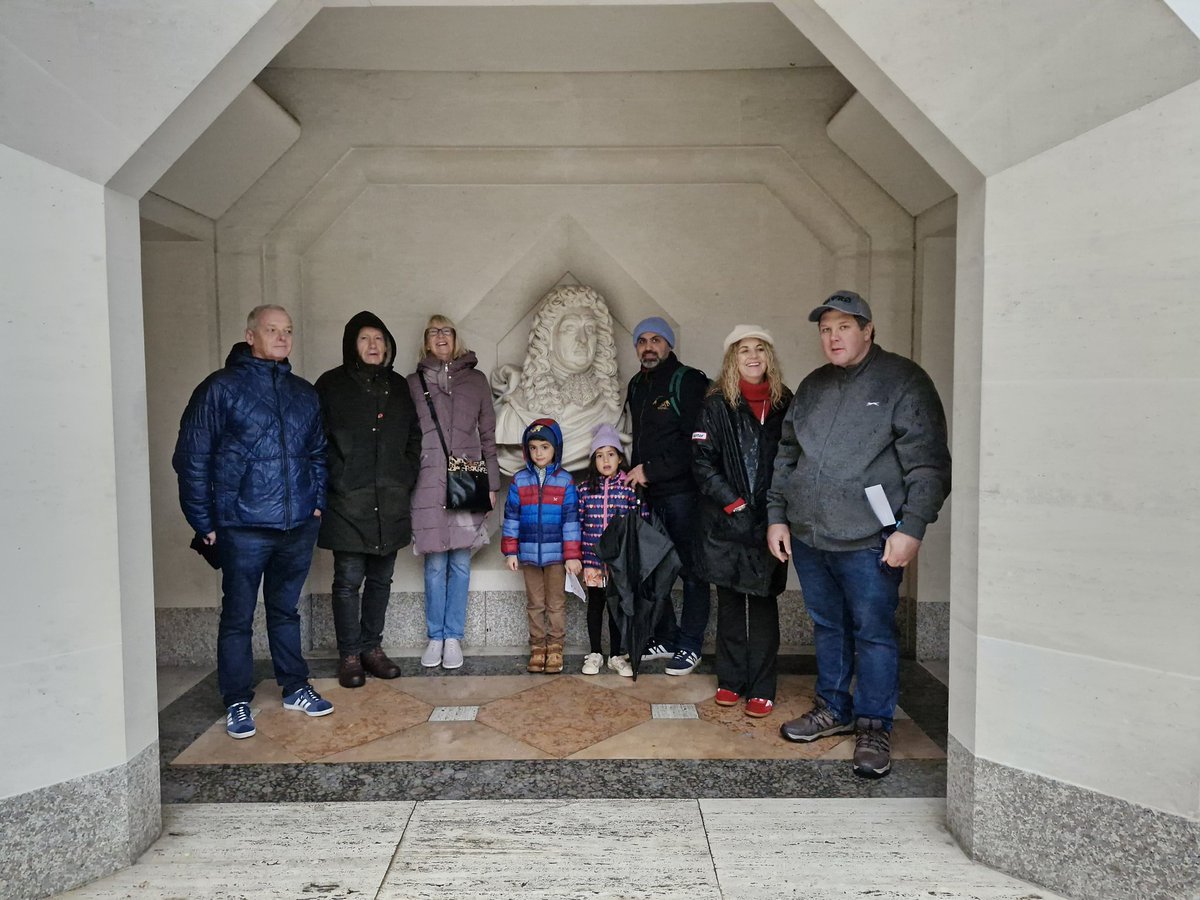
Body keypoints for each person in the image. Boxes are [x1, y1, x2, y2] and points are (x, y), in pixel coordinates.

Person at [767, 291, 950, 778]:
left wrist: (912, 529)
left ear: (868, 329)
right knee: (828, 626)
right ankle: (833, 707)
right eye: (826, 329)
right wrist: (777, 515)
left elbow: (929, 465)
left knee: (873, 632)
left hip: (871, 538)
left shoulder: (903, 381)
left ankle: (874, 724)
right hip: (810, 536)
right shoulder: (813, 386)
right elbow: (787, 454)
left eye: (844, 327)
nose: (833, 337)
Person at [173, 304, 332, 740]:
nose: (282, 338)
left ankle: (295, 687)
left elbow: (319, 453)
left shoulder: (303, 392)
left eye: (288, 331)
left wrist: (315, 502)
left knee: (286, 610)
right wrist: (204, 522)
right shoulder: (220, 389)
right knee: (238, 615)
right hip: (241, 525)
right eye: (272, 330)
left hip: (297, 525)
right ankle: (237, 700)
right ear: (250, 335)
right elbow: (192, 459)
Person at [315, 311, 421, 688]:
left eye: (379, 338)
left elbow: (413, 437)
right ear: (351, 344)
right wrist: (336, 479)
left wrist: (404, 476)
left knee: (381, 579)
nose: (373, 345)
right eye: (364, 339)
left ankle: (372, 649)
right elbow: (317, 442)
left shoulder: (398, 386)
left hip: (389, 501)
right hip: (348, 502)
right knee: (347, 580)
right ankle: (349, 655)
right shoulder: (330, 385)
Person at [692, 326, 793, 718]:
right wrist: (732, 502)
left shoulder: (786, 402)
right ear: (732, 359)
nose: (752, 356)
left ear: (769, 356)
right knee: (732, 603)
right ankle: (731, 681)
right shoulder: (716, 404)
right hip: (726, 521)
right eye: (743, 350)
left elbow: (793, 459)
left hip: (772, 520)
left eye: (760, 349)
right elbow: (701, 460)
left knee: (764, 603)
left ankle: (763, 686)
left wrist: (777, 511)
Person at [407, 315, 499, 670]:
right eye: (434, 331)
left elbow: (488, 437)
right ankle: (434, 636)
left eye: (446, 330)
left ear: (456, 338)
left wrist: (491, 484)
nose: (441, 336)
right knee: (434, 562)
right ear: (426, 341)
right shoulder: (412, 383)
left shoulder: (476, 381)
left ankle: (453, 637)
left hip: (468, 474)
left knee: (460, 561)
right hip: (427, 477)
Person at [625, 317, 710, 675]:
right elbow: (640, 440)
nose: (649, 347)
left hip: (683, 495)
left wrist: (651, 470)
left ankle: (690, 645)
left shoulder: (688, 380)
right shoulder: (636, 384)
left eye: (656, 339)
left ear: (669, 344)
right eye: (642, 341)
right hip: (647, 495)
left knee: (692, 571)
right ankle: (668, 636)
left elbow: (697, 443)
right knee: (655, 570)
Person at [491, 285, 626, 474]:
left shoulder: (619, 401)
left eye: (590, 328)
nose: (583, 339)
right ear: (549, 339)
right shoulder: (517, 407)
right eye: (570, 328)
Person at [501, 418, 583, 675]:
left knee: (555, 604)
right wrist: (511, 551)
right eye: (533, 447)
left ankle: (556, 647)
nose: (539, 453)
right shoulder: (520, 481)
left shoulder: (565, 481)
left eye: (544, 447)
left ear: (555, 448)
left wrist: (572, 556)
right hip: (528, 555)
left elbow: (571, 521)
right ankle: (537, 648)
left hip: (557, 556)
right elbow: (511, 518)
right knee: (534, 604)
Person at [577, 423, 645, 678]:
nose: (605, 460)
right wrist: (576, 555)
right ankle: (595, 652)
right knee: (595, 605)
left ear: (620, 457)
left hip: (620, 563)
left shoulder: (629, 488)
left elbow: (640, 522)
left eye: (611, 454)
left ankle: (616, 654)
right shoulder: (584, 490)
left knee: (617, 606)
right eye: (599, 455)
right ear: (593, 460)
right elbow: (576, 524)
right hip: (593, 560)